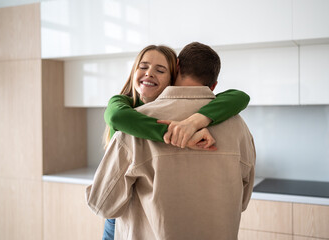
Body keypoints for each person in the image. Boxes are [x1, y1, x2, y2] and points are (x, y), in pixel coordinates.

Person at [87, 42, 256, 239]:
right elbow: (242, 202)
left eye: (159, 69)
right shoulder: (239, 126)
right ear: (214, 85)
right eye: (143, 67)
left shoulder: (131, 131)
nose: (149, 74)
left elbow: (102, 204)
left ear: (176, 69)